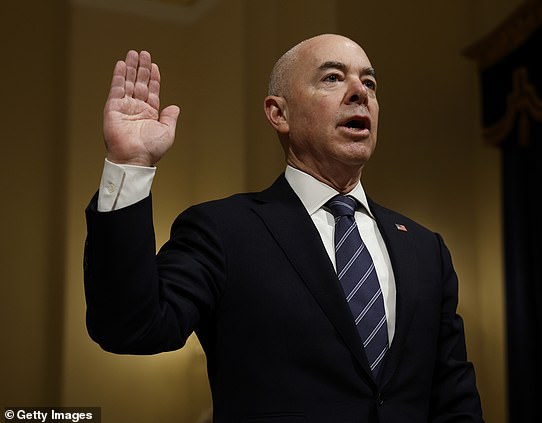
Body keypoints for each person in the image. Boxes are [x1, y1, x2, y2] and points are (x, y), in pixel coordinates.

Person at [84, 33, 484, 422]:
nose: (360, 91)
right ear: (279, 113)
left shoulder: (425, 249)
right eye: (332, 77)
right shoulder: (224, 231)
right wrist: (131, 162)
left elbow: (454, 398)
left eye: (370, 82)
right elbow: (130, 327)